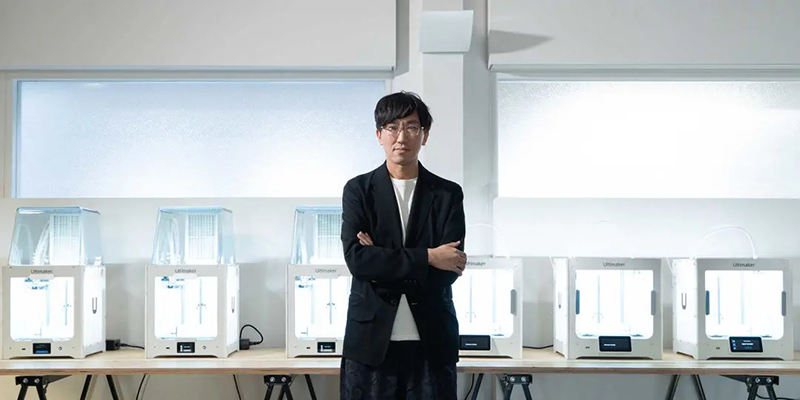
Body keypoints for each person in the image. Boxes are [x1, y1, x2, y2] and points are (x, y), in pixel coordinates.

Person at [339, 91, 467, 399]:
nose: (401, 136)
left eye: (411, 127)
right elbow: (358, 261)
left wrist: (382, 258)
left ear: (425, 135)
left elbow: (450, 268)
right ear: (379, 135)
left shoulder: (447, 193)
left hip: (432, 339)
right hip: (371, 340)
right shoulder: (358, 190)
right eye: (392, 127)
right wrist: (428, 256)